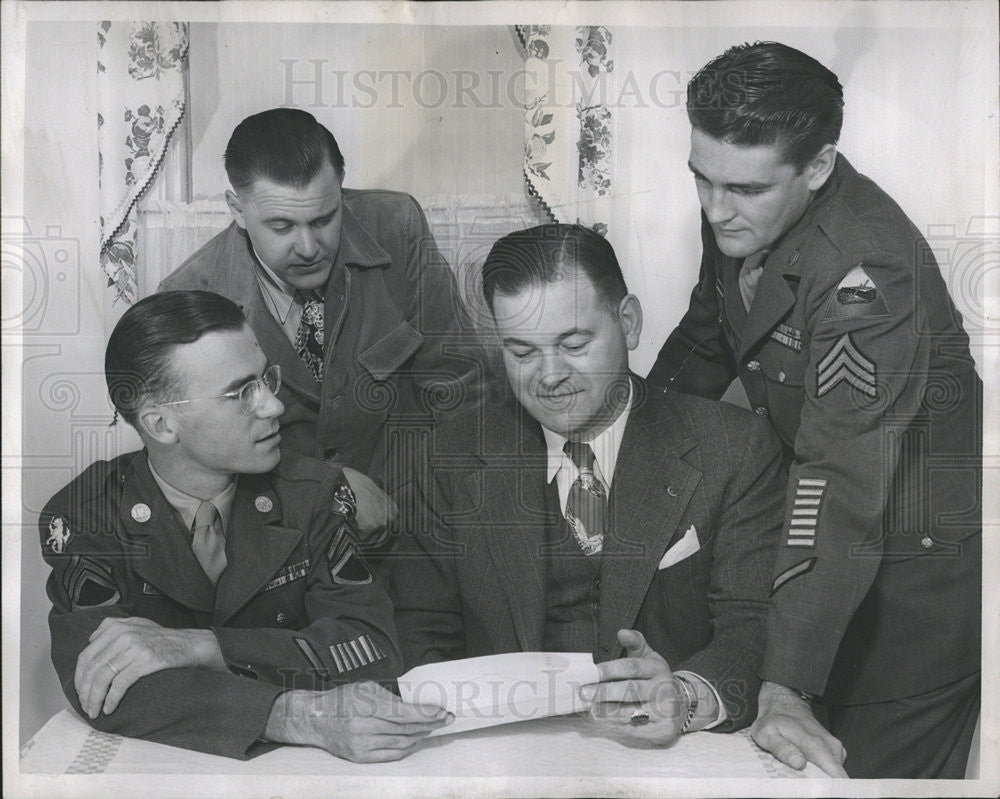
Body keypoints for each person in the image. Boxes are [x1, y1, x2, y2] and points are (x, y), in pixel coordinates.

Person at [646, 42, 982, 778]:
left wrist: (787, 680)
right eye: (701, 179)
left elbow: (838, 477)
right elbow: (705, 342)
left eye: (741, 189)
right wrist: (621, 443)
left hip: (905, 588)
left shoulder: (868, 270)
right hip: (818, 567)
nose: (714, 208)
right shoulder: (742, 205)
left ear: (819, 167)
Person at [388, 224, 786, 742]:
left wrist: (687, 695)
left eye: (573, 344)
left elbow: (753, 623)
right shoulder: (447, 458)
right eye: (522, 352)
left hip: (680, 760)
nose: (549, 375)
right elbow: (419, 631)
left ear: (629, 322)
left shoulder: (735, 448)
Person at [39, 291, 451, 762]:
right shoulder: (88, 515)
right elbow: (100, 684)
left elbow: (372, 649)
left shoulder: (313, 494)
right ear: (161, 423)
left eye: (266, 380)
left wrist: (205, 647)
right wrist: (293, 713)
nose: (274, 406)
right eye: (242, 392)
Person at [160, 108, 487, 542]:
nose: (309, 247)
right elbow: (201, 455)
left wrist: (445, 510)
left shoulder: (396, 225)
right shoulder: (188, 295)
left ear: (341, 192)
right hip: (278, 538)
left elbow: (462, 388)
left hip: (415, 522)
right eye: (281, 226)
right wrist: (323, 482)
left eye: (323, 218)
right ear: (237, 210)